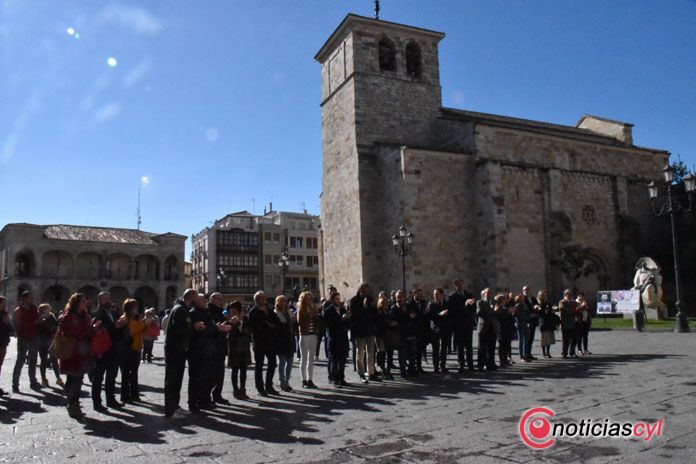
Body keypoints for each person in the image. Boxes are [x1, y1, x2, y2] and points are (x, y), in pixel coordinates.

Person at [59, 293, 100, 419]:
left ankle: (74, 404)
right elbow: (69, 332)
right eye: (83, 301)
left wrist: (93, 329)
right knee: (73, 380)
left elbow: (86, 330)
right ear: (76, 303)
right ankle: (72, 404)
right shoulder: (68, 317)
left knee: (79, 379)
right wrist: (89, 330)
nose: (85, 302)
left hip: (83, 353)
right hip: (72, 352)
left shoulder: (85, 316)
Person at [188, 293, 227, 411]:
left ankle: (205, 400)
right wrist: (216, 328)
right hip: (199, 351)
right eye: (203, 300)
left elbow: (209, 327)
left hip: (209, 349)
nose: (205, 302)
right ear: (196, 301)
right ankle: (195, 402)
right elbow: (202, 329)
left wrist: (218, 327)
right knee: (197, 379)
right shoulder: (194, 313)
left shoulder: (205, 312)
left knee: (208, 378)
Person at [164, 289, 198, 418]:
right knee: (172, 380)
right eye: (195, 297)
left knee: (177, 380)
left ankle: (175, 406)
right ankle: (170, 410)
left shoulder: (183, 309)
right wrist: (193, 327)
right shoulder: (179, 309)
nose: (197, 300)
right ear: (191, 297)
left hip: (179, 349)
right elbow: (178, 329)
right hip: (174, 349)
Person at [91, 291, 126, 411]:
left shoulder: (114, 313)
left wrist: (122, 325)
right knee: (98, 377)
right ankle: (97, 403)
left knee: (111, 376)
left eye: (109, 298)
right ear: (99, 300)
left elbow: (118, 329)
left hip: (113, 349)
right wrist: (115, 326)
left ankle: (111, 399)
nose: (108, 301)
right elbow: (99, 330)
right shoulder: (95, 314)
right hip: (102, 349)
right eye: (105, 299)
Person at [248, 291, 280, 397]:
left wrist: (273, 325)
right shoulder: (253, 312)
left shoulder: (270, 310)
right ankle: (260, 388)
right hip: (259, 342)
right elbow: (253, 327)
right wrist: (266, 325)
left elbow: (277, 321)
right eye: (260, 298)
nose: (263, 300)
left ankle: (269, 385)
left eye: (264, 298)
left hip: (271, 342)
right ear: (256, 300)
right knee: (259, 366)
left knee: (272, 364)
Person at [349, 283, 379, 383]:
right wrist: (364, 306)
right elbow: (354, 315)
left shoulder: (370, 299)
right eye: (365, 291)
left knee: (371, 352)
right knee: (360, 353)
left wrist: (372, 306)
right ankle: (361, 373)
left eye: (368, 291)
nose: (367, 293)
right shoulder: (354, 300)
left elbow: (374, 314)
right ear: (360, 290)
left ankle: (371, 373)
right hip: (359, 330)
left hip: (369, 329)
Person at [12, 290, 40, 392]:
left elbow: (37, 319)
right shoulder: (18, 310)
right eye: (29, 297)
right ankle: (15, 383)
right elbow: (17, 324)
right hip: (23, 338)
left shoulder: (33, 308)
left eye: (32, 297)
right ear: (24, 298)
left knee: (33, 360)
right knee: (20, 360)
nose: (31, 299)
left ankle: (33, 381)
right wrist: (33, 323)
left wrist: (39, 321)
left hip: (33, 337)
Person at [119, 299, 146, 403]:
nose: (137, 309)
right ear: (129, 309)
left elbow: (141, 331)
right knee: (125, 374)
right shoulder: (125, 319)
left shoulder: (137, 318)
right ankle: (125, 396)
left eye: (137, 306)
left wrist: (145, 324)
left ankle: (135, 395)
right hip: (127, 349)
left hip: (136, 348)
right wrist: (143, 324)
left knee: (134, 373)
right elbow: (131, 332)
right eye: (135, 307)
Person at [448, 280, 477, 373]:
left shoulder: (469, 294)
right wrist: (464, 305)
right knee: (460, 346)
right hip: (458, 324)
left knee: (469, 346)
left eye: (461, 284)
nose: (460, 286)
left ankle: (470, 364)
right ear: (455, 286)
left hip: (468, 324)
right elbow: (452, 310)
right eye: (458, 285)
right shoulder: (452, 296)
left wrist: (471, 304)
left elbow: (474, 308)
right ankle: (461, 364)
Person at [225, 301, 251, 400]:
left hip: (244, 347)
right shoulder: (229, 320)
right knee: (234, 370)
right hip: (234, 347)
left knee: (243, 370)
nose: (232, 313)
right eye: (231, 311)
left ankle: (243, 390)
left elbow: (248, 331)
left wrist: (240, 324)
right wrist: (233, 324)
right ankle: (235, 390)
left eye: (234, 311)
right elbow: (228, 333)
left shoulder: (246, 319)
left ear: (239, 311)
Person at [324, 291, 350, 387]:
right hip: (334, 338)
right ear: (332, 300)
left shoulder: (342, 309)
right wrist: (341, 319)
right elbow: (330, 325)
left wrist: (347, 318)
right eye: (336, 299)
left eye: (339, 299)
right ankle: (334, 380)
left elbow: (347, 324)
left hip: (343, 337)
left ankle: (341, 378)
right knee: (334, 361)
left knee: (342, 360)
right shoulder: (328, 310)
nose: (338, 301)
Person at [207, 293, 230, 405]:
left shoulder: (221, 311)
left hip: (221, 345)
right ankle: (207, 397)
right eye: (219, 299)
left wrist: (230, 322)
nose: (221, 301)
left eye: (222, 299)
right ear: (212, 299)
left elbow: (224, 324)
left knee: (220, 374)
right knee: (211, 374)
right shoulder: (208, 311)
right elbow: (210, 327)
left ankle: (217, 395)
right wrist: (218, 328)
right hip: (211, 346)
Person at [297, 291, 322, 388]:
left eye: (311, 298)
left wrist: (316, 314)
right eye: (308, 298)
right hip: (304, 335)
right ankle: (303, 380)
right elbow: (300, 322)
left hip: (313, 334)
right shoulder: (301, 309)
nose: (310, 300)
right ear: (304, 299)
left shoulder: (313, 308)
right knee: (304, 359)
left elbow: (317, 322)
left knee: (311, 359)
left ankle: (310, 379)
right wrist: (310, 315)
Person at [391, 290, 417, 377]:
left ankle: (411, 370)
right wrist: (407, 317)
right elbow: (398, 320)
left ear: (404, 297)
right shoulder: (394, 308)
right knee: (402, 355)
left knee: (412, 353)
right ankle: (403, 372)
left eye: (400, 297)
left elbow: (413, 315)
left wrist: (412, 316)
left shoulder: (408, 306)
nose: (399, 299)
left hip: (410, 333)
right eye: (397, 297)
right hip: (400, 335)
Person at [425, 288, 452, 373]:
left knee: (444, 349)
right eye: (434, 294)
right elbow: (431, 316)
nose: (435, 296)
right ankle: (436, 367)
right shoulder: (431, 304)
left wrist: (447, 320)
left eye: (437, 294)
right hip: (435, 329)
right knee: (435, 349)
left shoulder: (447, 303)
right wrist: (440, 314)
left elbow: (451, 315)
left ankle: (443, 366)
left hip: (445, 329)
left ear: (441, 294)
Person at [37, 304, 62, 387]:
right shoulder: (39, 318)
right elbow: (37, 328)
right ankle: (43, 379)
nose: (48, 311)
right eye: (46, 309)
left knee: (54, 360)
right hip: (42, 342)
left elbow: (57, 326)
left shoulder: (52, 317)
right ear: (42, 310)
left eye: (48, 309)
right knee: (43, 361)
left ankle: (58, 378)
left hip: (51, 341)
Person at [274, 295, 296, 392]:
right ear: (277, 303)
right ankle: (282, 381)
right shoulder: (276, 313)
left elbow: (293, 322)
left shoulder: (289, 312)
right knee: (282, 362)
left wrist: (292, 322)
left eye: (284, 301)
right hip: (280, 340)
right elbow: (277, 327)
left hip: (289, 339)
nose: (283, 303)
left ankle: (287, 380)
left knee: (290, 362)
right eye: (281, 301)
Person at [407, 288, 429, 374]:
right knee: (413, 351)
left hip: (422, 330)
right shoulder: (410, 304)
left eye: (421, 294)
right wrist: (422, 314)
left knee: (420, 350)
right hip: (414, 330)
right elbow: (413, 317)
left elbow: (423, 315)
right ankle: (412, 368)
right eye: (418, 294)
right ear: (414, 294)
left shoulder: (423, 303)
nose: (420, 296)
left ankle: (419, 367)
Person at [476, 288, 498, 372]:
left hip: (492, 327)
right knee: (482, 348)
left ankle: (491, 364)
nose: (489, 294)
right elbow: (479, 313)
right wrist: (491, 310)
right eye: (487, 293)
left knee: (491, 347)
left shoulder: (494, 302)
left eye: (490, 293)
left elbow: (497, 314)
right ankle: (481, 364)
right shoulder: (480, 302)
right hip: (483, 328)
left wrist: (496, 311)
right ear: (484, 294)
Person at [374, 295, 392, 379]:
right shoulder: (378, 313)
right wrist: (388, 324)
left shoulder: (387, 312)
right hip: (379, 335)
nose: (385, 305)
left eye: (385, 303)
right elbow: (379, 324)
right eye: (383, 303)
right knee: (381, 351)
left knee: (384, 352)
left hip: (386, 334)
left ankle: (383, 369)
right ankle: (381, 368)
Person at [494, 294, 514, 367]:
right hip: (501, 328)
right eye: (504, 299)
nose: (505, 300)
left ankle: (505, 360)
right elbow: (500, 317)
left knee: (506, 345)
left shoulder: (504, 307)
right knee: (501, 345)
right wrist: (508, 313)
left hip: (507, 328)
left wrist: (510, 313)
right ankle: (502, 361)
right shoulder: (498, 307)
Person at [0, 296, 14, 396]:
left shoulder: (4, 314)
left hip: (3, 341)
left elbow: (9, 327)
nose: (4, 304)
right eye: (3, 303)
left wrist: (9, 325)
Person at [537, 291, 558, 358]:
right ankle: (544, 353)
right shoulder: (539, 304)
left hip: (549, 322)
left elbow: (551, 312)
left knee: (549, 338)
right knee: (544, 339)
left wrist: (553, 310)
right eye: (544, 296)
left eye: (545, 296)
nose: (545, 297)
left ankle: (548, 352)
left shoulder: (549, 303)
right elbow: (540, 314)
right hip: (543, 322)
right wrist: (545, 310)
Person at [558, 289, 578, 358]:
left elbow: (577, 308)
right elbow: (562, 309)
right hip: (565, 323)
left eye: (571, 294)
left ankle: (572, 352)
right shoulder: (562, 301)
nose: (570, 295)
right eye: (569, 294)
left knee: (574, 339)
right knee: (565, 339)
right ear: (565, 294)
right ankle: (564, 353)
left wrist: (573, 310)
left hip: (572, 323)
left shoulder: (573, 302)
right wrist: (572, 311)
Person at [522, 285, 540, 360]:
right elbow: (522, 310)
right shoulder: (522, 299)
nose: (526, 291)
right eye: (525, 290)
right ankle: (525, 354)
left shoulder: (533, 299)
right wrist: (530, 315)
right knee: (526, 339)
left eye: (527, 290)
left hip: (533, 321)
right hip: (527, 321)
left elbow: (537, 307)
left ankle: (529, 353)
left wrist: (537, 308)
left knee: (531, 338)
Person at [513, 294, 531, 362]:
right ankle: (521, 356)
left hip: (525, 323)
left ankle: (525, 355)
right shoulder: (517, 306)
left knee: (526, 340)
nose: (523, 299)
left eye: (523, 298)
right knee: (521, 341)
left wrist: (528, 316)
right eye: (521, 298)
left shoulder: (525, 305)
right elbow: (514, 315)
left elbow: (528, 313)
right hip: (520, 324)